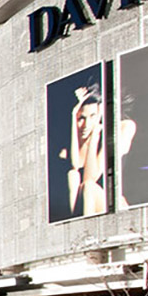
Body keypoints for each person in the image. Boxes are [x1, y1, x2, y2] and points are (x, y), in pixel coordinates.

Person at [62, 82, 109, 217]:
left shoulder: (105, 138)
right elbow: (75, 165)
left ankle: (85, 226)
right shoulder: (66, 149)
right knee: (73, 175)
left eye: (93, 116)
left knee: (88, 186)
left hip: (102, 204)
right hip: (81, 204)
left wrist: (95, 136)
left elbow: (90, 178)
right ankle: (73, 223)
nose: (86, 124)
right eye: (81, 118)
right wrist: (73, 115)